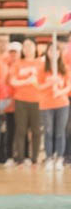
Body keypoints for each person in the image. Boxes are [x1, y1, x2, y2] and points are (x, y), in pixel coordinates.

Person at [11, 38, 44, 166]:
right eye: (25, 46)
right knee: (21, 130)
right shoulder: (18, 63)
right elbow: (13, 81)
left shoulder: (41, 63)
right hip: (21, 100)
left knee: (36, 131)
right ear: (22, 50)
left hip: (38, 101)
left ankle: (34, 158)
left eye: (30, 46)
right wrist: (26, 81)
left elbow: (45, 81)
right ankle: (20, 158)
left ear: (35, 48)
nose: (28, 49)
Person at [39, 43, 69, 172]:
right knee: (48, 132)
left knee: (60, 132)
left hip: (62, 104)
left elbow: (69, 86)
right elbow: (38, 86)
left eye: (56, 50)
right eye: (51, 50)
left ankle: (59, 159)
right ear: (47, 52)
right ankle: (49, 158)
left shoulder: (65, 68)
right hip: (46, 105)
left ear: (59, 53)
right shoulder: (42, 68)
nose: (54, 53)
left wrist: (60, 92)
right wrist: (49, 83)